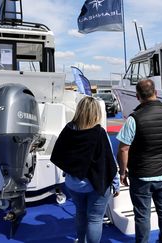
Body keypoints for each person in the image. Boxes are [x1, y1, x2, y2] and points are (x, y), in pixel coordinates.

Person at [116, 79, 162, 243]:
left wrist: (122, 172)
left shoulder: (134, 119)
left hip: (141, 175)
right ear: (156, 93)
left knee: (142, 213)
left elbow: (123, 149)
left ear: (137, 96)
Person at [50, 96, 119, 243]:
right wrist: (116, 183)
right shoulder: (99, 133)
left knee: (81, 214)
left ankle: (81, 241)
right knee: (94, 219)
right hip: (96, 184)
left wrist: (69, 170)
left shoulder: (68, 130)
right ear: (96, 113)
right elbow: (109, 159)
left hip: (74, 184)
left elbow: (58, 154)